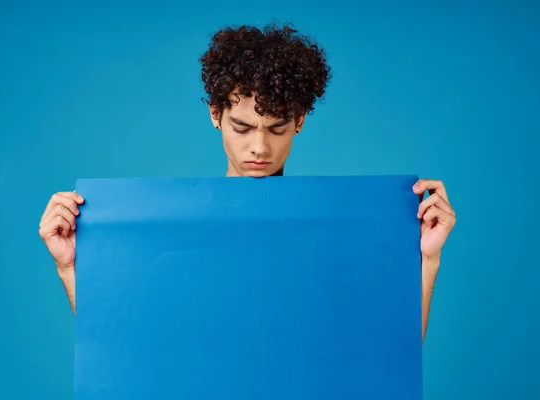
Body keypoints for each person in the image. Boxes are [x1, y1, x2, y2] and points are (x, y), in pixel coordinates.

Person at [39, 22, 456, 342]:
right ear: (215, 115)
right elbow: (124, 344)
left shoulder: (335, 228)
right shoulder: (169, 229)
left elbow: (387, 351)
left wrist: (427, 261)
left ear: (300, 122)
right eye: (241, 127)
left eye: (277, 128)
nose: (259, 147)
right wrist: (71, 268)